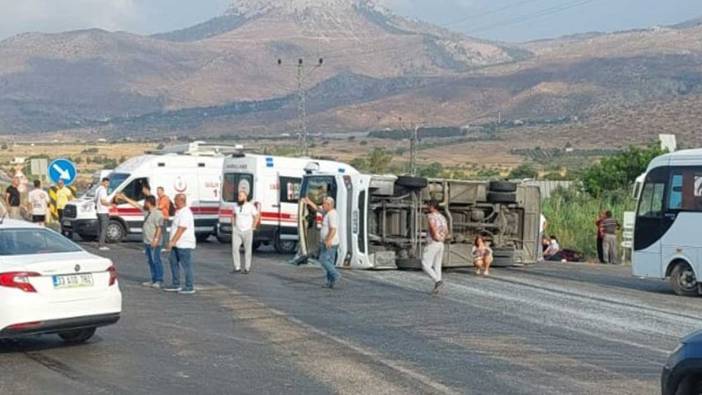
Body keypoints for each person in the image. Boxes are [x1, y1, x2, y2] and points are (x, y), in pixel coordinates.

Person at [118, 193, 164, 288]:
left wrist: (155, 239)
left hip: (154, 241)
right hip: (147, 241)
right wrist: (125, 198)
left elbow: (159, 228)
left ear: (149, 202)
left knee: (156, 260)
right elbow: (136, 205)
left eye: (145, 202)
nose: (144, 204)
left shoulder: (158, 213)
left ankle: (159, 279)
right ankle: (153, 278)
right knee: (150, 261)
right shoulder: (147, 211)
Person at [302, 196, 341, 288]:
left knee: (323, 260)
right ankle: (330, 282)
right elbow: (317, 209)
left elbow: (333, 229)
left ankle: (335, 275)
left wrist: (328, 240)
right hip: (327, 242)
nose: (322, 205)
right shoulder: (327, 212)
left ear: (329, 205)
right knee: (330, 262)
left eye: (324, 204)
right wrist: (309, 202)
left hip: (330, 243)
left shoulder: (332, 214)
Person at [164, 193, 196, 295]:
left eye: (175, 200)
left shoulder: (186, 213)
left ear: (181, 200)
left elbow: (181, 229)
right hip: (177, 244)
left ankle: (189, 286)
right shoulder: (179, 212)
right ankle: (175, 283)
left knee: (186, 265)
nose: (174, 202)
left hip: (184, 243)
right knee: (173, 262)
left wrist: (172, 241)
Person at [423, 199, 449, 295]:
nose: (426, 207)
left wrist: (435, 237)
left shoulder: (430, 216)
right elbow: (446, 231)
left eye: (428, 205)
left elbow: (432, 228)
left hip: (433, 241)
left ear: (432, 206)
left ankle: (438, 281)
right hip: (441, 243)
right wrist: (442, 238)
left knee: (425, 264)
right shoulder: (442, 217)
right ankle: (437, 287)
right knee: (437, 265)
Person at [231, 190, 260, 274]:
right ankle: (237, 267)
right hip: (237, 231)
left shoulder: (250, 206)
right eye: (238, 196)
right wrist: (233, 226)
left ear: (245, 197)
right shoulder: (235, 206)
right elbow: (233, 215)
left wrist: (254, 226)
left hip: (247, 230)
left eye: (241, 196)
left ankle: (247, 268)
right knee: (235, 248)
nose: (239, 197)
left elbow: (257, 215)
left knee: (248, 250)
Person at [95, 177, 112, 251]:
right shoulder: (103, 190)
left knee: (100, 228)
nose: (107, 184)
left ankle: (100, 243)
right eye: (106, 183)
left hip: (98, 211)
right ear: (103, 182)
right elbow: (103, 201)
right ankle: (101, 245)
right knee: (104, 229)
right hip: (103, 211)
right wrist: (110, 204)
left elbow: (95, 200)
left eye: (108, 183)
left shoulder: (98, 189)